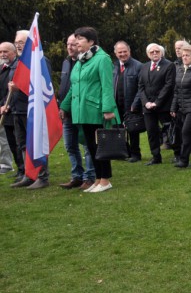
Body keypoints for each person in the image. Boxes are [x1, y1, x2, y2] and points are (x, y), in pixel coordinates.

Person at [59, 27, 118, 193]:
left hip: (96, 110)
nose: (76, 42)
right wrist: (64, 105)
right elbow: (74, 87)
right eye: (75, 38)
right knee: (91, 147)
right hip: (81, 110)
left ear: (91, 41)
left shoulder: (102, 58)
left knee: (101, 146)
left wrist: (108, 109)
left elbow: (107, 86)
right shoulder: (81, 60)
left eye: (80, 39)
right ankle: (98, 179)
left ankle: (105, 180)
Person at [7, 30, 52, 188]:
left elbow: (42, 85)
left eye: (22, 42)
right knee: (23, 145)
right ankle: (29, 174)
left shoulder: (40, 60)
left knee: (36, 144)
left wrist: (20, 87)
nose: (18, 45)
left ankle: (42, 176)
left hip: (32, 109)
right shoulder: (17, 62)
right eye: (17, 42)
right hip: (17, 109)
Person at [58, 35, 95, 189]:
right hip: (68, 112)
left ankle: (90, 177)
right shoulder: (66, 62)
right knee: (70, 146)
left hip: (82, 111)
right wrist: (63, 106)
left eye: (73, 44)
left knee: (87, 145)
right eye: (68, 44)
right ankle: (77, 176)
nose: (70, 47)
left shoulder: (87, 61)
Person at [138, 43, 175, 165]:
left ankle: (178, 154)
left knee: (170, 131)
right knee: (151, 132)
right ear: (148, 54)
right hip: (148, 107)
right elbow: (141, 87)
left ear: (161, 53)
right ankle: (156, 157)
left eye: (157, 51)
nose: (154, 53)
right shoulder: (144, 67)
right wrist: (146, 102)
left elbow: (168, 85)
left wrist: (157, 102)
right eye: (151, 52)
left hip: (163, 105)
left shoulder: (169, 65)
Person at [113, 41, 143, 163]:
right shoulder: (113, 66)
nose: (123, 54)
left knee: (133, 130)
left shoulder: (138, 66)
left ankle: (136, 154)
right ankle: (124, 152)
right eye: (120, 52)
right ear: (115, 53)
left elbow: (141, 87)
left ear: (129, 51)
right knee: (118, 129)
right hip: (116, 104)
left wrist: (135, 103)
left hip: (131, 104)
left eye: (125, 51)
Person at [0, 42, 21, 178]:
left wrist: (4, 104)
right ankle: (20, 169)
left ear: (14, 52)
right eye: (1, 52)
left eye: (5, 52)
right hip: (3, 109)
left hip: (13, 109)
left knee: (17, 142)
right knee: (10, 141)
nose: (3, 55)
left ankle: (20, 168)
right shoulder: (2, 68)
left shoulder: (17, 68)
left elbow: (13, 90)